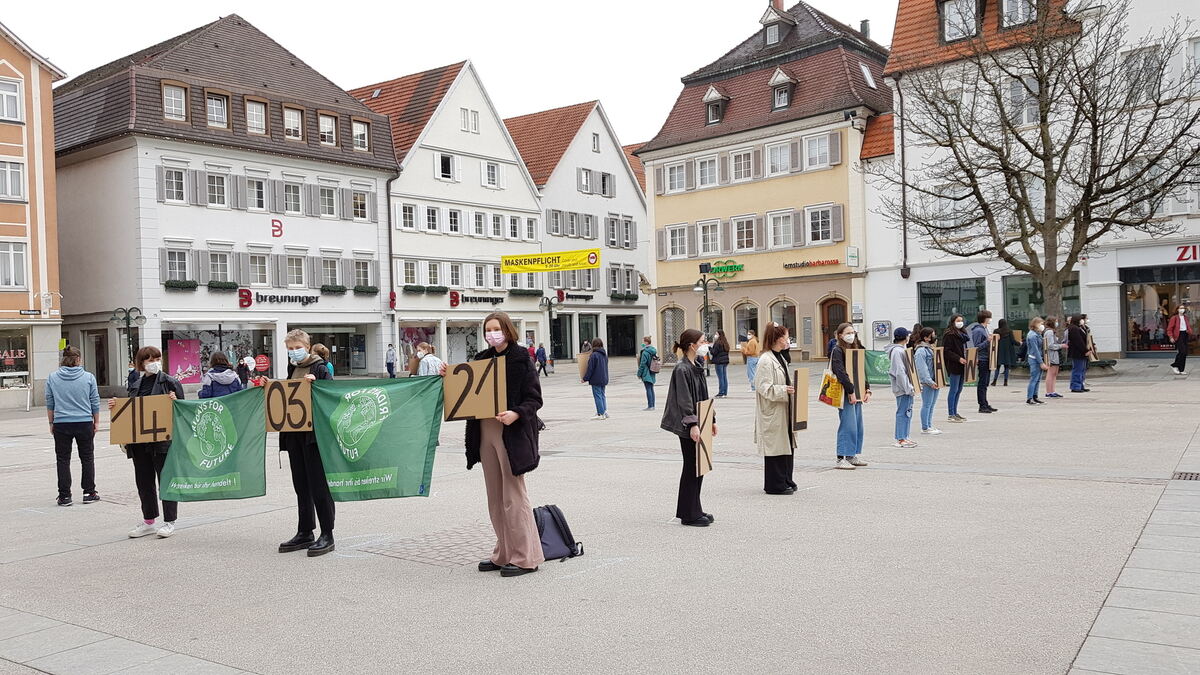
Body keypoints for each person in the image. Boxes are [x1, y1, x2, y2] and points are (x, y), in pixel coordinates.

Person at [453, 312, 544, 577]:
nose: (492, 334)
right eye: (488, 329)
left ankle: (525, 557)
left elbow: (534, 399)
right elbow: (466, 390)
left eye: (496, 329)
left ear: (507, 330)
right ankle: (503, 552)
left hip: (510, 433)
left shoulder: (521, 359)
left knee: (513, 497)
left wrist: (516, 413)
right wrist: (449, 376)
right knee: (494, 497)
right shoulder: (481, 359)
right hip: (485, 432)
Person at [109, 346, 184, 538]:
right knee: (144, 482)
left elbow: (183, 411)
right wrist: (116, 406)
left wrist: (175, 400)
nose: (155, 363)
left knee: (166, 480)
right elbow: (132, 411)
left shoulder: (170, 382)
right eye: (150, 360)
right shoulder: (135, 384)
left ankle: (169, 521)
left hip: (162, 442)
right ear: (141, 363)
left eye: (157, 359)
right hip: (140, 443)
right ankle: (149, 520)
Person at [276, 329, 336, 557]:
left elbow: (331, 395)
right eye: (290, 348)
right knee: (301, 485)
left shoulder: (319, 367)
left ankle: (327, 533)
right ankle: (305, 531)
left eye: (297, 347)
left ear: (307, 347)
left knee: (319, 486)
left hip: (314, 436)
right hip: (294, 434)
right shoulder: (293, 367)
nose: (294, 352)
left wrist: (317, 383)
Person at [660, 329, 716, 526]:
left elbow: (703, 395)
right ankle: (689, 514)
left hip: (700, 422)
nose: (705, 344)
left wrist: (712, 420)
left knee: (699, 466)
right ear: (692, 345)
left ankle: (693, 508)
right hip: (688, 424)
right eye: (702, 341)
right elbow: (684, 400)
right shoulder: (682, 369)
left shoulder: (696, 365)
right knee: (692, 466)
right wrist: (692, 424)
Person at [46, 347, 100, 507]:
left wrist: (51, 422)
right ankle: (89, 492)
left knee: (63, 459)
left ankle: (64, 496)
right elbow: (94, 401)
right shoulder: (89, 377)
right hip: (84, 422)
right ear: (79, 359)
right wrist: (96, 421)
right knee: (87, 458)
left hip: (61, 423)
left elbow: (50, 402)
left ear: (63, 360)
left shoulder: (52, 377)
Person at [754, 322, 797, 494]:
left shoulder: (779, 357)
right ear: (779, 339)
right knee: (776, 447)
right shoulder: (766, 360)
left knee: (786, 445)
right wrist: (783, 390)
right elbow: (763, 387)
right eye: (786, 337)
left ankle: (786, 479)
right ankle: (775, 484)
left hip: (784, 409)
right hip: (773, 410)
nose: (788, 340)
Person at [831, 322, 870, 469]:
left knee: (857, 425)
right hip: (846, 393)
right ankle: (841, 457)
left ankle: (851, 455)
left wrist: (867, 389)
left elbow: (861, 371)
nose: (851, 335)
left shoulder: (855, 349)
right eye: (848, 333)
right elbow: (840, 372)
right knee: (848, 424)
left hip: (857, 392)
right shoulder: (837, 350)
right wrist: (851, 391)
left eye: (853, 332)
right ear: (840, 335)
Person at [885, 327, 918, 448]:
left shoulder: (900, 350)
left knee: (907, 412)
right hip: (902, 388)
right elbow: (900, 372)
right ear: (905, 337)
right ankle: (901, 438)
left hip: (905, 386)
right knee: (903, 412)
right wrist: (908, 388)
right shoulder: (897, 351)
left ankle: (905, 436)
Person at [914, 328, 941, 435]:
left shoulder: (931, 348)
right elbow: (922, 369)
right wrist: (929, 381)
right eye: (932, 335)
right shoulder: (921, 351)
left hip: (935, 380)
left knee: (931, 405)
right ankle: (925, 427)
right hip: (928, 382)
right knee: (927, 404)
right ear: (926, 338)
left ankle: (929, 425)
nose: (934, 337)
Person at [943, 315, 969, 423]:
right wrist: (958, 358)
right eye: (958, 321)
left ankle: (955, 411)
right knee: (953, 389)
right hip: (954, 364)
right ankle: (951, 414)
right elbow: (946, 351)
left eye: (961, 321)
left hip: (962, 364)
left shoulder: (962, 334)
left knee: (959, 389)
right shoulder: (949, 335)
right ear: (953, 322)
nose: (960, 322)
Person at [969, 311, 996, 413]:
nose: (990, 319)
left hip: (987, 358)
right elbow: (977, 346)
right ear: (985, 318)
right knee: (982, 382)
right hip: (982, 358)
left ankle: (985, 403)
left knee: (985, 382)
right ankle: (982, 405)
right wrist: (987, 341)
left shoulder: (985, 329)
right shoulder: (978, 330)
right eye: (989, 317)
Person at [582, 337, 610, 420]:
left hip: (596, 379)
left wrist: (585, 378)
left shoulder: (594, 355)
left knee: (597, 396)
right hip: (604, 378)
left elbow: (590, 369)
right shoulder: (604, 354)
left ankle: (600, 413)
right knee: (602, 395)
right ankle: (604, 411)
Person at [1025, 317, 1047, 405]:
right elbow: (1035, 350)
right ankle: (1029, 398)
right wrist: (1041, 362)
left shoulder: (1037, 334)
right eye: (1040, 324)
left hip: (1037, 358)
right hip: (1034, 358)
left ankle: (1035, 396)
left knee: (1037, 379)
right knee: (1034, 379)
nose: (1042, 326)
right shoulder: (1032, 335)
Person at [1067, 315, 1090, 393]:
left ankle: (1080, 385)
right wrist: (1085, 350)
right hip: (1077, 352)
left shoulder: (1079, 328)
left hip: (1081, 352)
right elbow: (1078, 341)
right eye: (1081, 319)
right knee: (1077, 369)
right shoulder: (1074, 328)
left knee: (1082, 369)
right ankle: (1075, 386)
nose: (1082, 320)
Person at [992, 319, 1017, 387]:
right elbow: (1013, 341)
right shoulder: (1009, 331)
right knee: (1006, 367)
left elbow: (993, 341)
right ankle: (1005, 382)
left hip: (999, 351)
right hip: (1007, 351)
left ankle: (994, 381)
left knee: (997, 367)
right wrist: (1019, 343)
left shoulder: (996, 331)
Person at [1044, 317, 1065, 398]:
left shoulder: (1051, 332)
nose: (1057, 323)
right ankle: (1049, 391)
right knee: (1051, 373)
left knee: (1054, 373)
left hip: (1054, 355)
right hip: (1051, 356)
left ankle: (1052, 390)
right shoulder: (1049, 332)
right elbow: (1050, 345)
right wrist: (1061, 346)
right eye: (1055, 321)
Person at [636, 336, 657, 410]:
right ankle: (652, 405)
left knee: (648, 389)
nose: (642, 343)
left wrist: (639, 373)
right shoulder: (653, 350)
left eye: (643, 341)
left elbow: (642, 364)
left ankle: (650, 406)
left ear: (646, 342)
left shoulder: (645, 352)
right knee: (651, 388)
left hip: (646, 372)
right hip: (652, 371)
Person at [1168, 304, 1190, 375]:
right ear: (1177, 309)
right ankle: (1174, 365)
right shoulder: (1174, 318)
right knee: (1182, 351)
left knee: (1184, 353)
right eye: (1180, 308)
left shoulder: (1186, 317)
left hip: (1185, 334)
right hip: (1178, 335)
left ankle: (1181, 369)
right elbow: (1169, 328)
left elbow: (1188, 326)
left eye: (1183, 308)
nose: (1182, 309)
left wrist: (1189, 331)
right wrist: (1171, 337)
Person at [710, 330, 731, 398]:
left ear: (719, 335)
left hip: (719, 362)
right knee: (724, 377)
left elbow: (714, 352)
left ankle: (721, 392)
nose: (715, 335)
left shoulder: (717, 343)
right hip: (725, 361)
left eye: (716, 334)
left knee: (720, 377)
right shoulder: (725, 342)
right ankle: (725, 392)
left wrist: (710, 348)